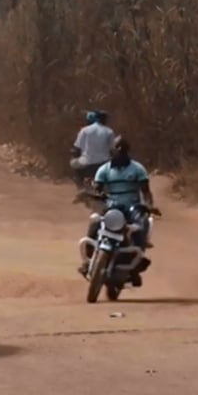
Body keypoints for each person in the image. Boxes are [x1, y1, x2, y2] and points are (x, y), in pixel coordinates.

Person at [80, 135, 161, 284]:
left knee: (141, 224)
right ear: (111, 152)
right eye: (116, 150)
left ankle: (136, 263)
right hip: (111, 205)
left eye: (122, 151)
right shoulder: (103, 170)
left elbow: (145, 191)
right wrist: (91, 195)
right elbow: (98, 190)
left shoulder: (137, 169)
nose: (119, 154)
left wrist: (149, 205)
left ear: (127, 152)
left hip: (132, 206)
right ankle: (88, 261)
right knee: (95, 222)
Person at [70, 110, 115, 189]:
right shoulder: (109, 131)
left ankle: (80, 186)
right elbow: (112, 149)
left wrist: (75, 156)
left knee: (73, 163)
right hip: (103, 163)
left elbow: (77, 147)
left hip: (86, 162)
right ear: (106, 120)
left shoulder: (84, 130)